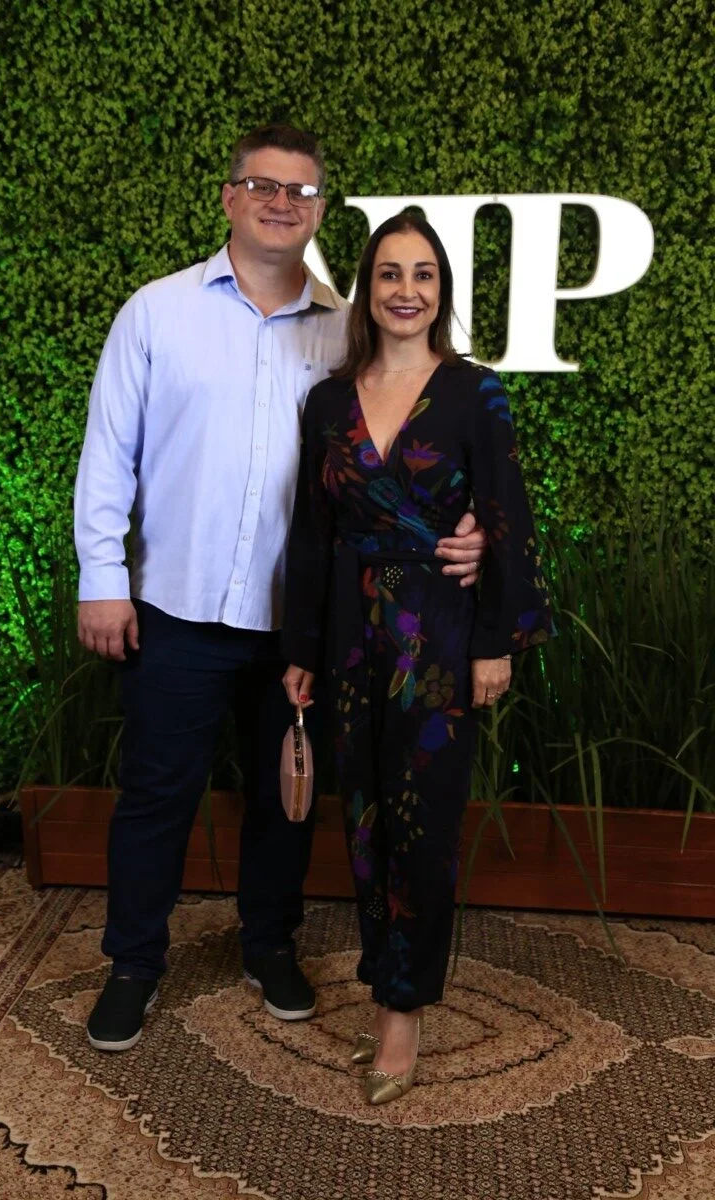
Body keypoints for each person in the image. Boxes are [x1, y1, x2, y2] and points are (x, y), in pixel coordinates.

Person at [74, 125, 488, 1054]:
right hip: (175, 607)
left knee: (286, 797)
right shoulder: (157, 312)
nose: (280, 203)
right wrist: (102, 580)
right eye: (262, 185)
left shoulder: (348, 330)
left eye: (300, 192)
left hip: (305, 626)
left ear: (320, 211)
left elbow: (400, 457)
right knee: (156, 794)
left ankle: (269, 944)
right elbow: (108, 454)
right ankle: (134, 962)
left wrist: (468, 531)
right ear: (230, 197)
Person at [282, 210, 554, 1105]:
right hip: (349, 636)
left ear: (443, 289)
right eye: (390, 273)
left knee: (424, 825)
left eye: (424, 274)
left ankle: (402, 1009)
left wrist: (494, 643)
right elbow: (311, 534)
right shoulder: (328, 403)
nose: (407, 290)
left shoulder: (475, 393)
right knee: (363, 816)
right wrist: (302, 649)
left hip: (438, 634)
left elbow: (505, 517)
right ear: (368, 288)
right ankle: (383, 972)